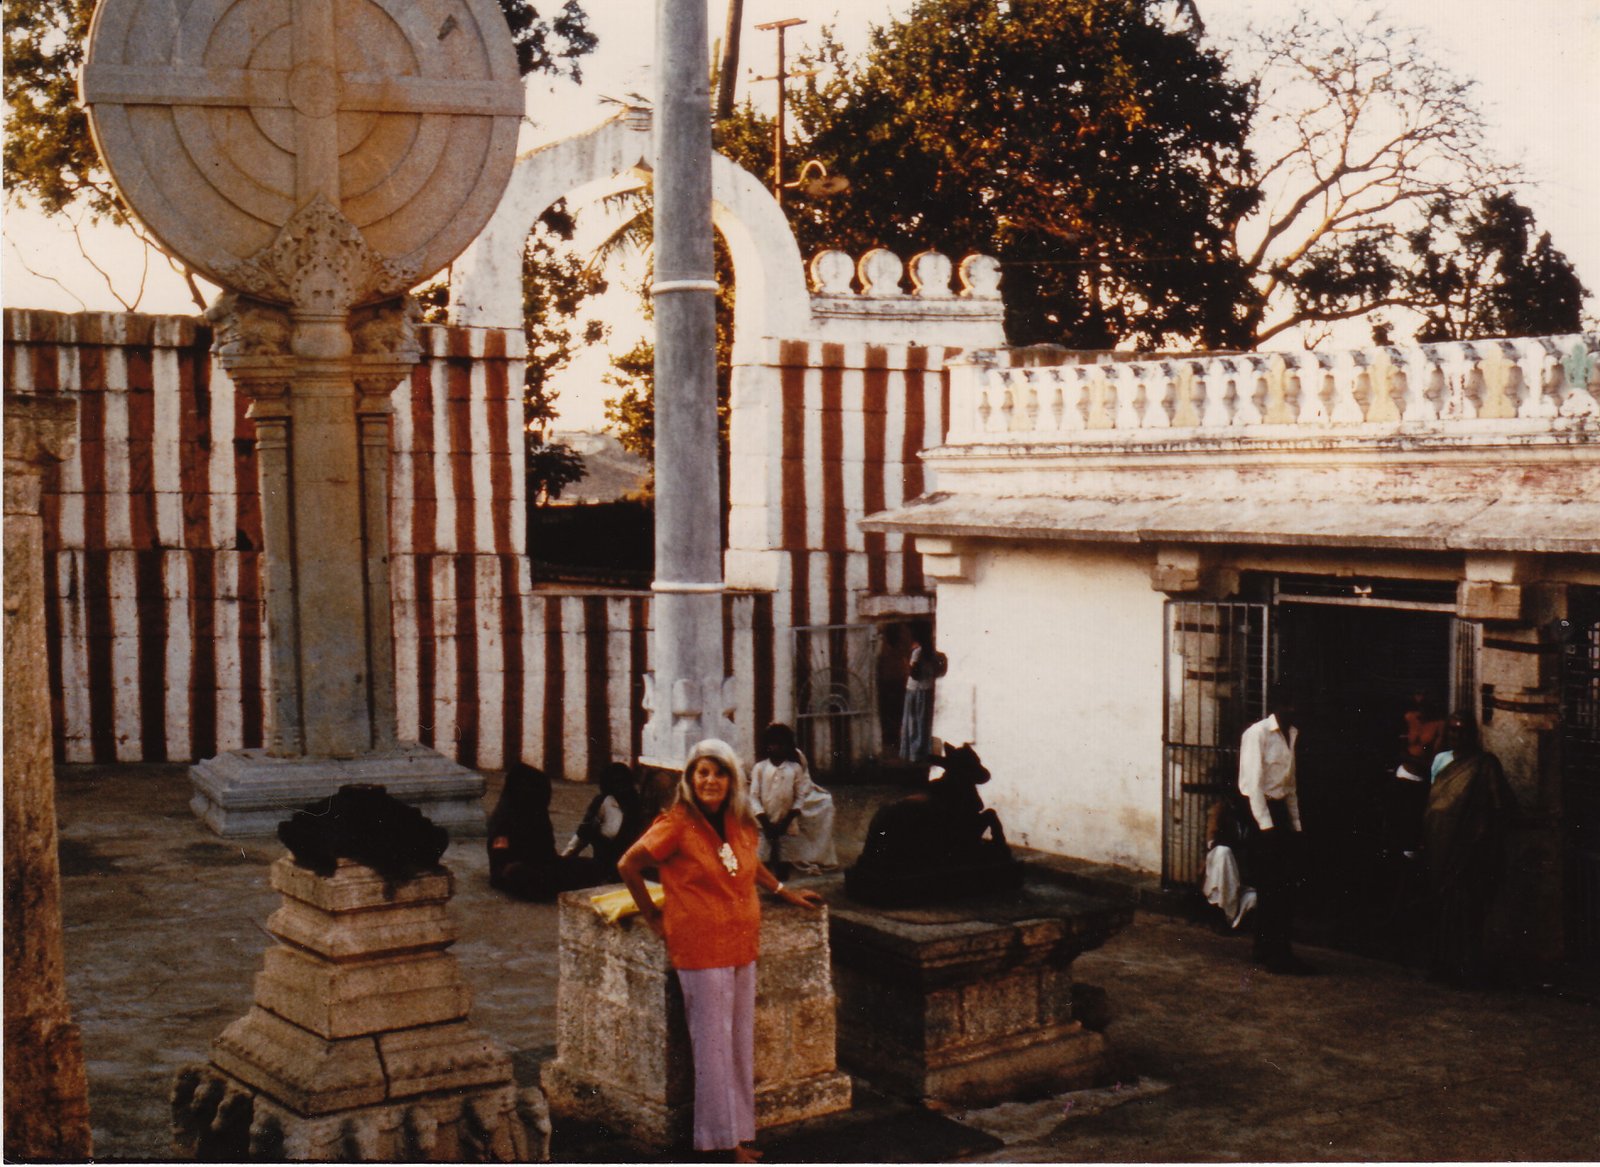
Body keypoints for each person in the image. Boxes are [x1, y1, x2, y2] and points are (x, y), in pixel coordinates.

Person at [617, 739, 824, 1163]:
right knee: (712, 1045)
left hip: (741, 941)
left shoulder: (739, 822)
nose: (710, 781)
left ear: (732, 779)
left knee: (738, 1043)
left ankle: (741, 1132)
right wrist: (653, 917)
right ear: (691, 779)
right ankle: (721, 1142)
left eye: (719, 773)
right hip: (699, 946)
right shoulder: (676, 823)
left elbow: (749, 864)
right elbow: (629, 865)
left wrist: (783, 890)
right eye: (702, 773)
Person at [1423, 713, 1518, 986]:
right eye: (1453, 732)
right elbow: (1435, 801)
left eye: (1463, 732)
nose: (1458, 737)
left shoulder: (1485, 765)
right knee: (1444, 910)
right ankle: (1443, 966)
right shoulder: (1442, 761)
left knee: (1468, 911)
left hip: (1471, 850)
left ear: (1473, 735)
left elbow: (1501, 806)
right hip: (1442, 844)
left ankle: (1467, 969)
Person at [1237, 691, 1315, 974]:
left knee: (1283, 886)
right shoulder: (1257, 735)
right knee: (1271, 885)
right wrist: (1266, 827)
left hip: (1281, 813)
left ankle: (1270, 948)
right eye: (1288, 703)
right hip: (1262, 814)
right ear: (1277, 705)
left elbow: (1290, 784)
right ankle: (1274, 953)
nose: (1293, 708)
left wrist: (1296, 825)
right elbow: (1252, 785)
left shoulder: (1292, 734)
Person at [748, 723, 838, 876]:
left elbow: (800, 794)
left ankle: (784, 868)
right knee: (763, 855)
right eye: (775, 744)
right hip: (765, 818)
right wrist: (764, 820)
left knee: (785, 852)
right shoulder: (760, 768)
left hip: (787, 818)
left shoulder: (795, 767)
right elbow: (754, 796)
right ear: (768, 746)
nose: (780, 748)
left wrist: (788, 819)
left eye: (784, 744)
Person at [486, 763, 563, 900]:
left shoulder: (538, 813)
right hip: (516, 870)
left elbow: (549, 853)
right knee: (518, 872)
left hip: (542, 867)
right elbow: (500, 862)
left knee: (588, 866)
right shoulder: (503, 819)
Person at [559, 761, 643, 881]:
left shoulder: (639, 805)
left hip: (625, 871)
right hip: (603, 867)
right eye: (617, 783)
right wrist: (564, 860)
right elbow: (582, 836)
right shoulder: (602, 803)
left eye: (624, 783)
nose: (621, 788)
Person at [900, 625, 938, 764]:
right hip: (926, 689)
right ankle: (922, 753)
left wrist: (906, 664)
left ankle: (914, 755)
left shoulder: (917, 651)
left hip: (915, 690)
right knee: (923, 722)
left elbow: (914, 674)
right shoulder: (932, 651)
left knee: (913, 722)